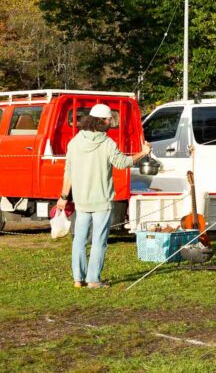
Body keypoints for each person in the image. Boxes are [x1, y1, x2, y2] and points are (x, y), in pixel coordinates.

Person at [55, 104, 152, 288]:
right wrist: (143, 153)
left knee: (79, 240)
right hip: (101, 201)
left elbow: (68, 171)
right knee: (99, 241)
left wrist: (63, 196)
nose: (110, 122)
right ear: (102, 121)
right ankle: (93, 280)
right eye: (109, 120)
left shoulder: (74, 142)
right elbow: (123, 163)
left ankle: (78, 278)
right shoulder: (107, 143)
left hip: (81, 201)